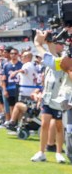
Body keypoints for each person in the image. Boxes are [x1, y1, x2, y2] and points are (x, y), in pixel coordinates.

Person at [31, 30, 68, 163]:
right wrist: (48, 41)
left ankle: (58, 152)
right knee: (45, 123)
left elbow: (52, 56)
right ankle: (42, 151)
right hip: (47, 98)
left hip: (58, 98)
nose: (57, 45)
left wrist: (40, 43)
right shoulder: (51, 62)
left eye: (59, 44)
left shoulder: (63, 60)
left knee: (59, 126)